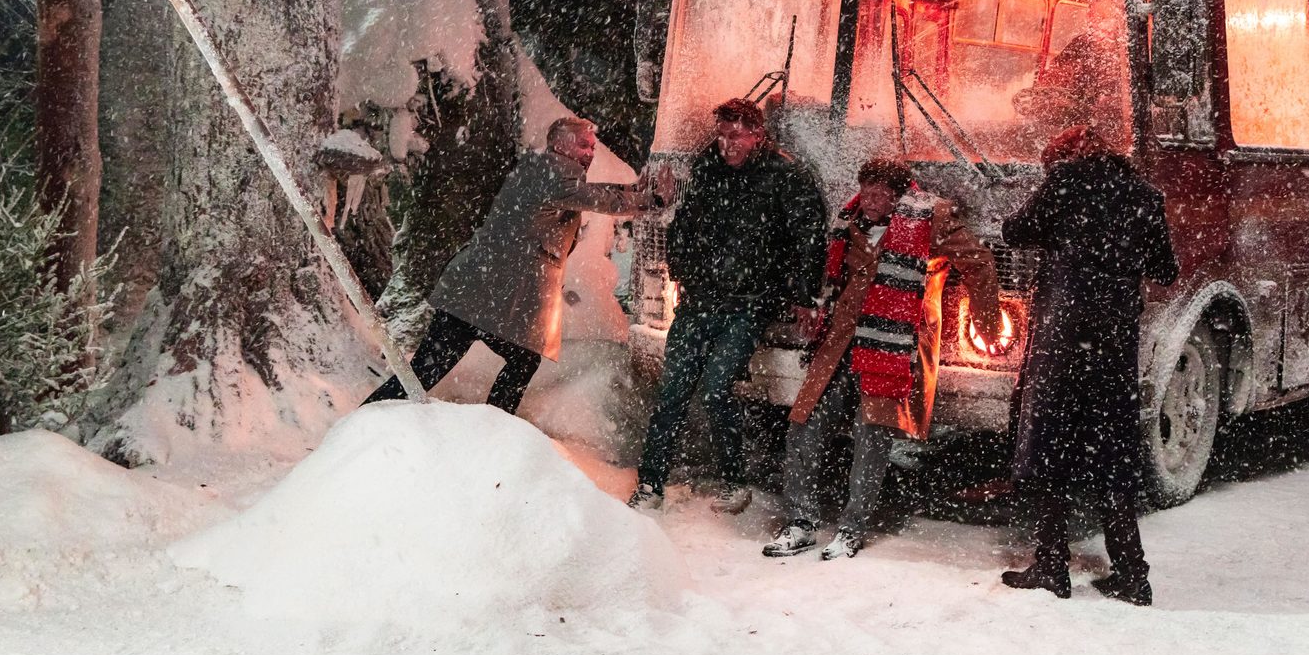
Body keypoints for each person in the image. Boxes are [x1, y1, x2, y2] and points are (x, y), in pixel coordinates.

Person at [763, 158, 1003, 559]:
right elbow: (831, 274)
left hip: (893, 345)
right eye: (867, 191)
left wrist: (989, 325)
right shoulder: (848, 218)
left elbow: (979, 263)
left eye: (881, 194)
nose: (871, 201)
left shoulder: (931, 217)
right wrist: (814, 308)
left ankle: (852, 529)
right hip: (839, 343)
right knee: (804, 424)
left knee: (870, 435)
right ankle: (800, 522)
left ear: (899, 193)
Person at [362, 117, 661, 413]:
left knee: (430, 372)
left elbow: (589, 193)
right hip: (483, 297)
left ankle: (371, 419)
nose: (590, 153)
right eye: (583, 145)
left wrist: (634, 191)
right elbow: (596, 199)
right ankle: (490, 428)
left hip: (477, 295)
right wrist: (652, 200)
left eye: (593, 147)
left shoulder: (546, 171)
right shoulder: (553, 173)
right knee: (505, 364)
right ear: (560, 144)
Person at [1000, 125, 1178, 605]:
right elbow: (1166, 270)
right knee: (1112, 453)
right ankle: (1133, 575)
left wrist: (1062, 228)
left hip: (1063, 336)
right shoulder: (1145, 195)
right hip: (1114, 344)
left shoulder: (1064, 182)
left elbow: (1012, 231)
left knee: (1049, 445)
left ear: (1065, 156)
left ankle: (1052, 565)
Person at [630, 99, 826, 514]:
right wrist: (682, 270)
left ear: (757, 134)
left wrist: (802, 296)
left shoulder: (785, 175)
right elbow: (685, 225)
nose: (726, 143)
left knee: (718, 389)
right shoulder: (707, 168)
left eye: (735, 134)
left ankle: (734, 481)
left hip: (748, 305)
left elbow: (808, 239)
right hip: (699, 300)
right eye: (721, 133)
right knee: (672, 392)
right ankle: (650, 484)